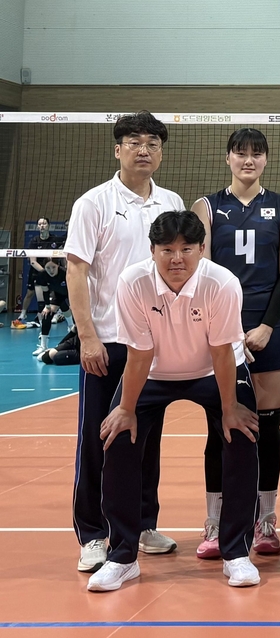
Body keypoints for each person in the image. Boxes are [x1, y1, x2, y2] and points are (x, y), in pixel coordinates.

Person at [87, 211, 260, 591]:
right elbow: (139, 354)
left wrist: (230, 408)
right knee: (117, 438)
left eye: (186, 249)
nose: (176, 258)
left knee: (241, 436)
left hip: (214, 370)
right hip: (153, 373)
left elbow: (221, 351)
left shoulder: (222, 283)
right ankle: (122, 556)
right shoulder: (133, 282)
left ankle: (236, 553)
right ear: (152, 250)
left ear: (202, 249)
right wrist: (125, 410)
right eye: (167, 249)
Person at [66, 111, 184, 574]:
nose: (144, 150)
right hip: (109, 343)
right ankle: (93, 534)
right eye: (134, 142)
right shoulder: (93, 203)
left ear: (161, 152)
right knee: (98, 438)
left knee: (146, 438)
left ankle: (141, 523)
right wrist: (87, 337)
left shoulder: (171, 203)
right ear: (118, 150)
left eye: (153, 143)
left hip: (154, 347)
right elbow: (77, 270)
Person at [194, 128, 280, 557]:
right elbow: (201, 273)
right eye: (241, 153)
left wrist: (267, 327)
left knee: (268, 426)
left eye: (257, 153)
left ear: (266, 160)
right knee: (220, 423)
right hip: (221, 327)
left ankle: (265, 521)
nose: (249, 160)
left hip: (269, 326)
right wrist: (226, 329)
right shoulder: (206, 207)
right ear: (228, 158)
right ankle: (216, 523)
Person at [13, 217, 63, 329]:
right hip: (37, 271)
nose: (42, 226)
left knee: (53, 293)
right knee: (30, 293)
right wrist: (45, 272)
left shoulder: (55, 239)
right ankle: (23, 314)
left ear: (48, 225)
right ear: (37, 227)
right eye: (40, 224)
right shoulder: (34, 241)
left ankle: (54, 314)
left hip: (50, 271)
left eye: (44, 223)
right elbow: (33, 261)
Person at [32, 258, 69, 357]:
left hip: (71, 293)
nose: (51, 270)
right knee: (46, 314)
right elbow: (45, 291)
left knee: (75, 314)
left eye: (53, 267)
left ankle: (71, 327)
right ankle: (43, 346)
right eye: (48, 268)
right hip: (58, 294)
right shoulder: (42, 275)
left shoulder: (65, 273)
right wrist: (47, 306)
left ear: (58, 266)